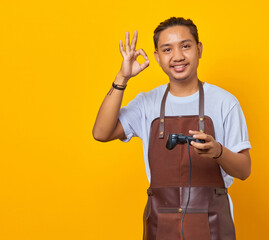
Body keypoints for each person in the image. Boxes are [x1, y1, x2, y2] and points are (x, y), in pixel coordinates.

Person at [92, 17, 251, 240]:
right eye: (167, 49)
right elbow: (101, 133)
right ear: (157, 56)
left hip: (212, 223)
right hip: (161, 224)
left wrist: (218, 152)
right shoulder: (147, 103)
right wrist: (122, 77)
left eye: (185, 46)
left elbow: (244, 170)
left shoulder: (225, 102)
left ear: (199, 49)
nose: (177, 56)